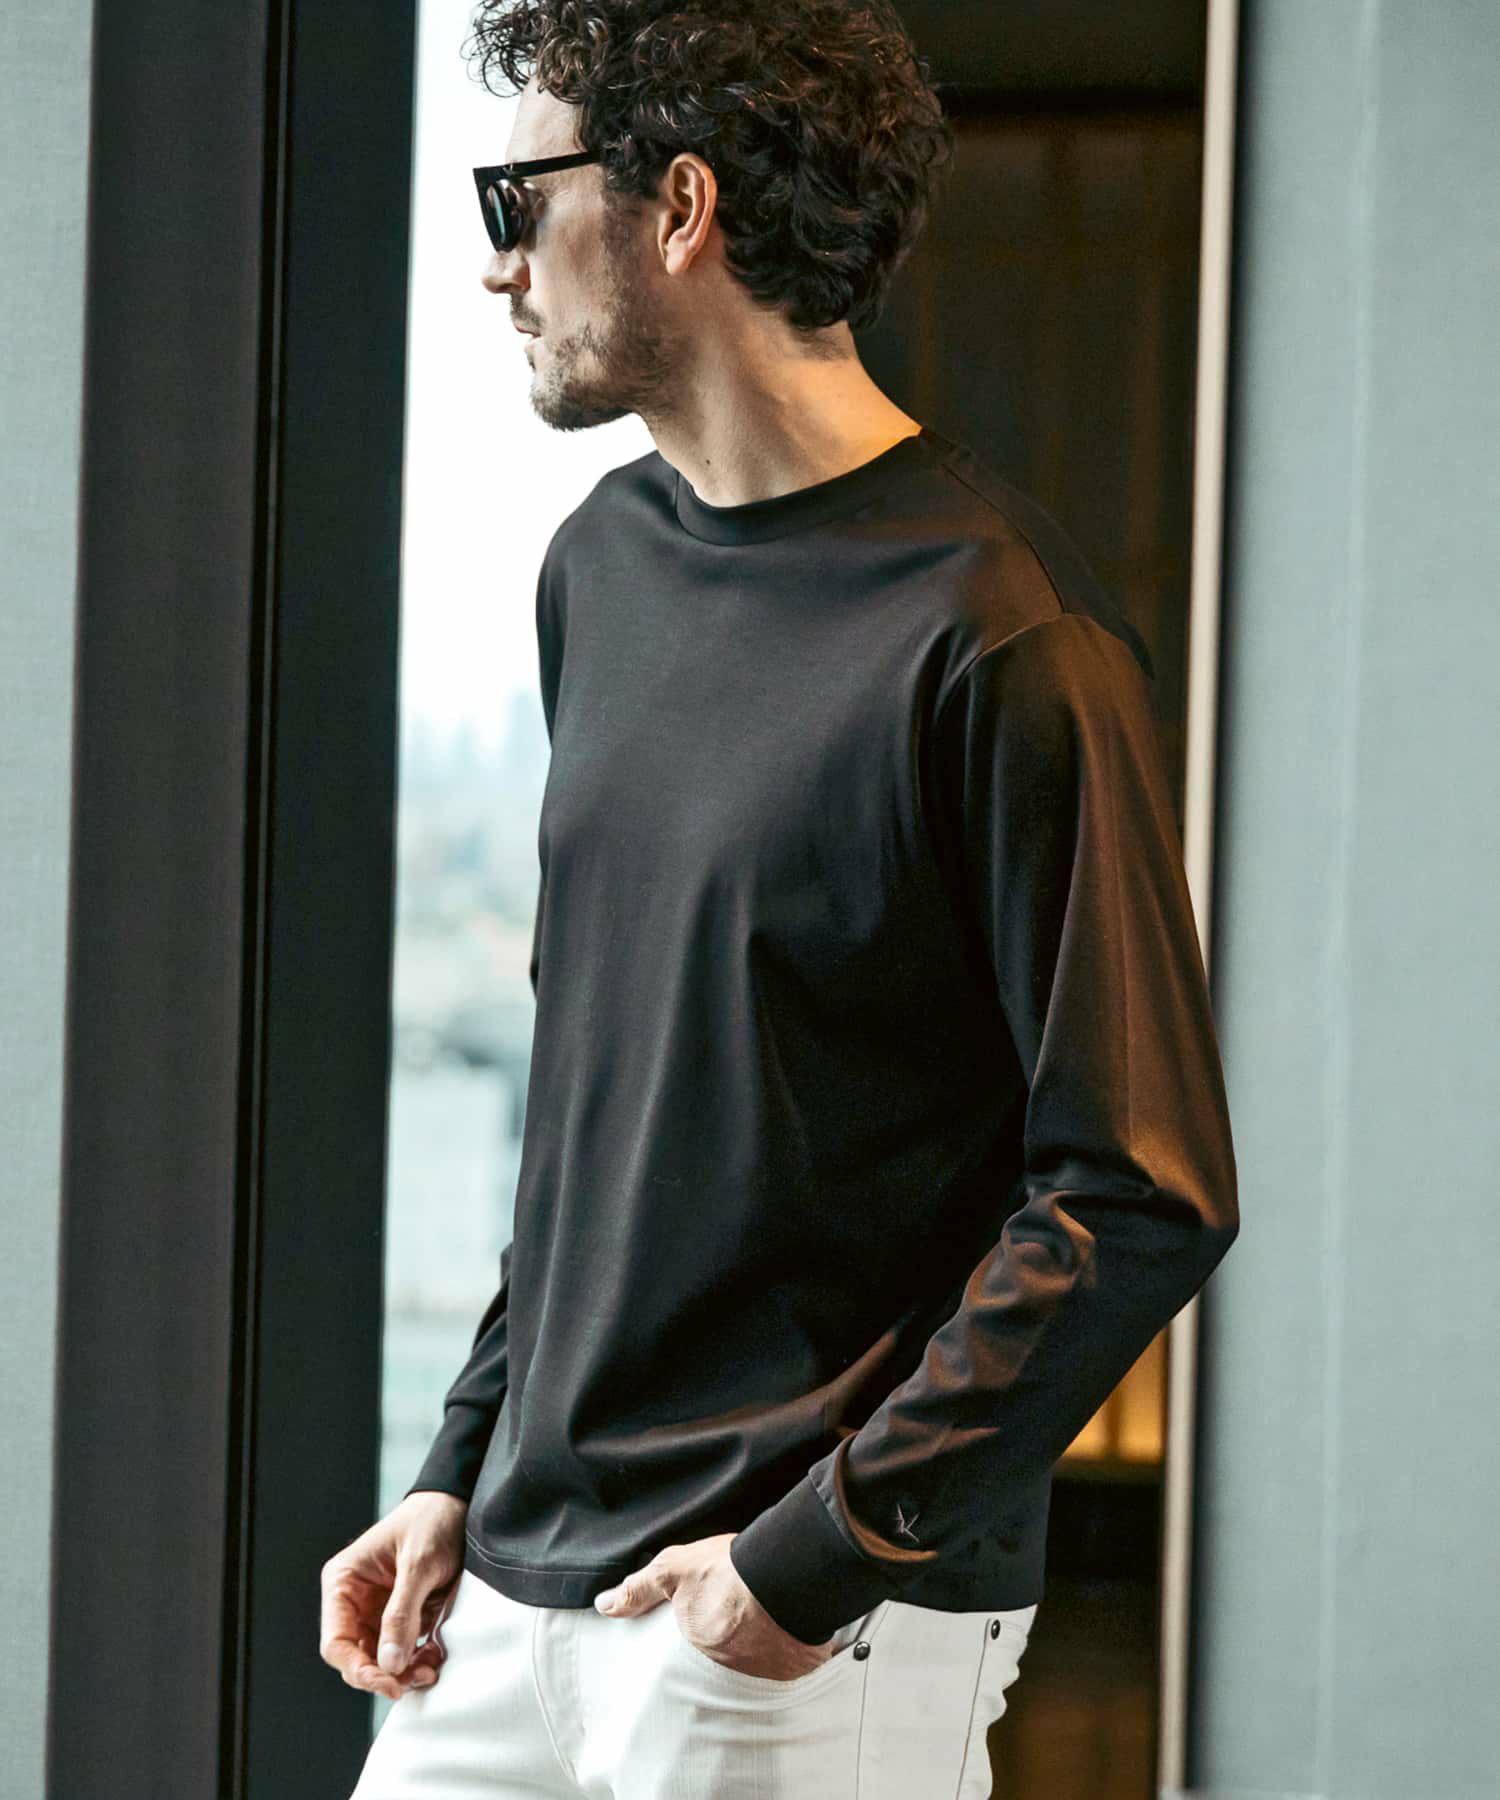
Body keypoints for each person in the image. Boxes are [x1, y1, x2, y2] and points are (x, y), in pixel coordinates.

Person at [321, 2, 1240, 1794]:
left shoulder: (1003, 634)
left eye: (519, 202)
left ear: (679, 209)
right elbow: (601, 1106)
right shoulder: (601, 567)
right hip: (506, 1597)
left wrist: (813, 1562)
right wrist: (457, 1462)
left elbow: (1141, 1189)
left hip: (790, 1636)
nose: (498, 268)